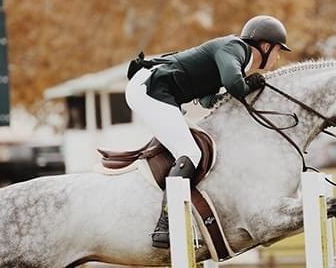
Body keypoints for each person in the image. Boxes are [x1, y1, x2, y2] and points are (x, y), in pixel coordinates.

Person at [124, 15, 291, 249]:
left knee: (193, 148)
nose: (278, 56)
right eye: (278, 50)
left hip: (155, 89)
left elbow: (207, 100)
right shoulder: (235, 49)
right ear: (265, 46)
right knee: (190, 153)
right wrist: (253, 82)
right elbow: (235, 85)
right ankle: (166, 224)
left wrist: (232, 92)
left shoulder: (234, 57)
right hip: (150, 88)